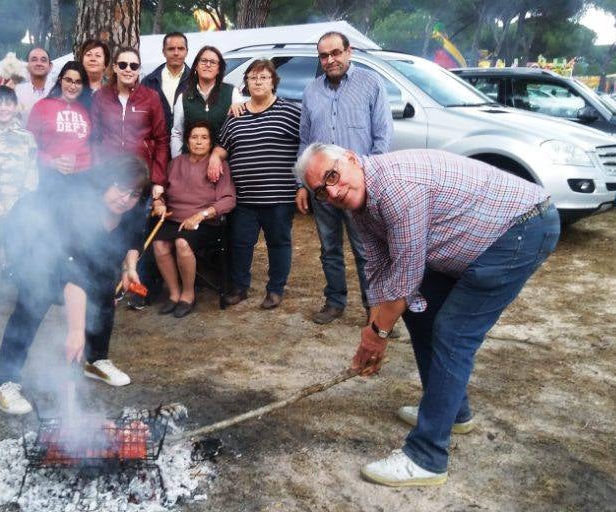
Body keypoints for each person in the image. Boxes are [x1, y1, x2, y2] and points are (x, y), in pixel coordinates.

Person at [295, 143, 560, 487]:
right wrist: (373, 331)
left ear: (350, 159)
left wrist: (377, 336)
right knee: (421, 314)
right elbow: (378, 270)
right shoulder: (360, 205)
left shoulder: (397, 187)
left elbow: (406, 275)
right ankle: (452, 412)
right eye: (321, 192)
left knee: (452, 332)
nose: (333, 191)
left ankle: (427, 456)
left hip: (521, 228)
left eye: (332, 176)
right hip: (483, 237)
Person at [0, 155, 150, 414]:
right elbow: (73, 273)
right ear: (106, 182)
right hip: (33, 238)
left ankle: (95, 360)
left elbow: (133, 236)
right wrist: (75, 332)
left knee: (104, 289)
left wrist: (129, 267)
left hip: (72, 255)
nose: (126, 198)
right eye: (120, 188)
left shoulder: (132, 206)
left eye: (133, 193)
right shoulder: (77, 206)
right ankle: (3, 383)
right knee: (33, 301)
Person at [298, 31, 393, 325]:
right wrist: (302, 185)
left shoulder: (371, 84)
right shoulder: (311, 91)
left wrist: (372, 180)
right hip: (322, 190)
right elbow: (305, 141)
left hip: (356, 187)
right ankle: (334, 301)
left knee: (368, 251)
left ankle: (373, 308)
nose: (330, 60)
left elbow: (383, 135)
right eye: (324, 56)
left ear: (348, 51)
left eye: (335, 53)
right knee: (329, 249)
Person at [209, 59, 301, 310]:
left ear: (273, 82)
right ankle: (240, 288)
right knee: (240, 244)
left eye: (263, 77)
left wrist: (302, 185)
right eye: (253, 78)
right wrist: (215, 158)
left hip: (279, 198)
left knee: (279, 244)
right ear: (246, 83)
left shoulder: (291, 112)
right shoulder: (236, 115)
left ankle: (275, 290)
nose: (258, 81)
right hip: (244, 198)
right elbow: (221, 148)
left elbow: (305, 148)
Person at [90, 47, 169, 309]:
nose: (128, 70)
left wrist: (157, 180)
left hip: (140, 179)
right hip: (111, 179)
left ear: (139, 70)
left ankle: (137, 289)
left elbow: (160, 139)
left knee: (136, 230)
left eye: (133, 66)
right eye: (122, 64)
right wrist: (100, 175)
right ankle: (110, 286)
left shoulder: (151, 97)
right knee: (110, 230)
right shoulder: (101, 97)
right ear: (113, 67)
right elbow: (96, 138)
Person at [151, 122, 235, 318]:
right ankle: (173, 293)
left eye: (204, 137)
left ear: (211, 142)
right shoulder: (176, 163)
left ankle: (188, 294)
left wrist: (202, 214)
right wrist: (159, 202)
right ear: (187, 142)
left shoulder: (219, 166)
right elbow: (161, 190)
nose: (198, 142)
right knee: (159, 244)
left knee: (182, 242)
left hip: (204, 222)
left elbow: (229, 199)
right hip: (174, 218)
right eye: (194, 137)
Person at [0, 86, 39, 317]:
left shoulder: (27, 138)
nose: (3, 108)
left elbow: (32, 172)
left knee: (23, 249)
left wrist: (22, 205)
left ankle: (26, 295)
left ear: (15, 107)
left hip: (21, 208)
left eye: (8, 104)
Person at [26, 61, 94, 194]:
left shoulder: (88, 109)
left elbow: (92, 144)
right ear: (60, 80)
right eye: (68, 80)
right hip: (50, 178)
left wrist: (81, 162)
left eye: (78, 82)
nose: (73, 86)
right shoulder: (42, 106)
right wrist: (50, 161)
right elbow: (28, 146)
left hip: (83, 180)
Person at [170, 46, 244, 158]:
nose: (208, 65)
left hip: (223, 164)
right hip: (192, 165)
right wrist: (178, 161)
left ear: (219, 69)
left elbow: (242, 130)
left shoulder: (232, 93)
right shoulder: (183, 98)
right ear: (196, 66)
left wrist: (240, 105)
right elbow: (177, 134)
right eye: (204, 61)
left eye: (213, 62)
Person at [141, 32, 190, 133]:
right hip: (157, 144)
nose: (176, 53)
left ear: (186, 51)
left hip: (188, 145)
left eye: (180, 48)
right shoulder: (149, 82)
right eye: (171, 49)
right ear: (164, 52)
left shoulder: (196, 80)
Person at [16, 47, 52, 126]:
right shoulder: (16, 92)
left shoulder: (59, 92)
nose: (39, 63)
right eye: (34, 60)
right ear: (27, 66)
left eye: (43, 60)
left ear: (50, 67)